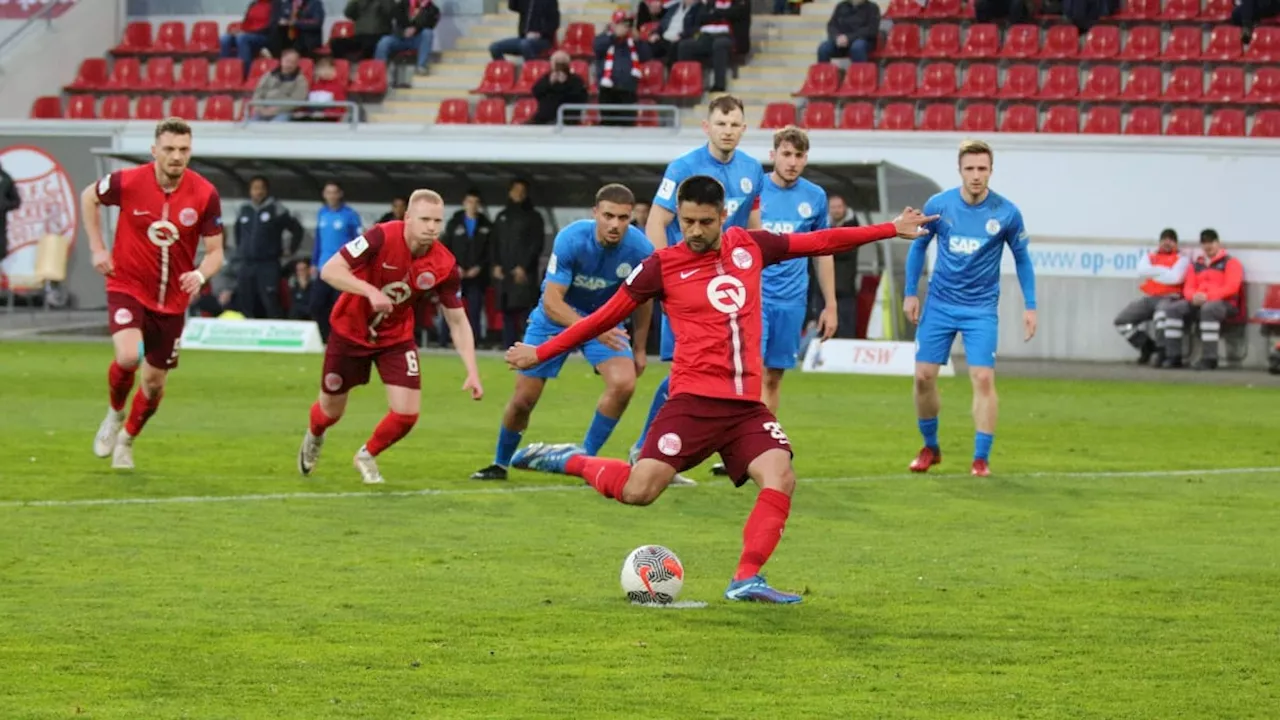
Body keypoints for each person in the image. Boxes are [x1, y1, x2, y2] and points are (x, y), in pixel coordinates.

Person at [504, 175, 932, 604]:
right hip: (691, 403)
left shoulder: (751, 246)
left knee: (781, 476)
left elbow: (820, 240)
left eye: (704, 222)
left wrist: (890, 228)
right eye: (686, 221)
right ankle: (573, 460)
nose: (693, 230)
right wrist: (540, 352)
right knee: (639, 492)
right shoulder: (660, 266)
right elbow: (602, 317)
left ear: (723, 216)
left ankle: (746, 578)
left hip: (745, 409)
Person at [298, 189, 484, 485]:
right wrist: (369, 290)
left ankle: (366, 455)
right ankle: (315, 434)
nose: (432, 227)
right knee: (331, 412)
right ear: (407, 218)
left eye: (438, 221)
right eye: (425, 219)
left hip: (395, 337)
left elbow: (457, 320)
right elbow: (330, 270)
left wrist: (472, 370)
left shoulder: (445, 265)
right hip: (350, 331)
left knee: (407, 414)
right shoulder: (380, 236)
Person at [471, 184, 654, 481]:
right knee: (523, 400)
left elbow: (645, 301)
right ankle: (500, 463)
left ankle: (585, 458)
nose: (615, 224)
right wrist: (594, 331)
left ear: (630, 217)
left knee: (624, 384)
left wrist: (641, 349)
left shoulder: (641, 249)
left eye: (623, 218)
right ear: (595, 213)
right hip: (555, 319)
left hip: (604, 321)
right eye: (608, 215)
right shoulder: (571, 239)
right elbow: (552, 301)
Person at [631, 94, 764, 485]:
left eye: (734, 124)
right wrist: (666, 277)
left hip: (728, 289)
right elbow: (656, 221)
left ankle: (666, 449)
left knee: (719, 371)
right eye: (720, 124)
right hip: (688, 286)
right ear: (707, 127)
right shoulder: (684, 167)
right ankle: (648, 449)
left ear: (743, 128)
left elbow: (753, 227)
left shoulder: (752, 169)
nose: (727, 131)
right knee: (684, 374)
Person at [85, 118, 226, 470]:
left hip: (172, 301)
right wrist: (98, 248)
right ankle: (114, 414)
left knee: (153, 383)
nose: (177, 156)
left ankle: (127, 440)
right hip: (128, 285)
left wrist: (199, 273)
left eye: (183, 150)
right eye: (169, 149)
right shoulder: (127, 182)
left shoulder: (205, 193)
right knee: (129, 356)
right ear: (154, 151)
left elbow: (216, 252)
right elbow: (89, 196)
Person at [903, 140, 1038, 478]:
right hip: (940, 304)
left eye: (982, 169)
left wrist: (1031, 305)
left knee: (981, 377)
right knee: (923, 378)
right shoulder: (939, 205)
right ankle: (930, 447)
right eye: (970, 169)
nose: (976, 176)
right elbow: (918, 247)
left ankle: (981, 458)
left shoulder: (1006, 212)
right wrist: (910, 292)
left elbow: (1022, 259)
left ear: (991, 171)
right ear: (960, 170)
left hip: (980, 308)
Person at [708, 125, 832, 477]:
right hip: (752, 298)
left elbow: (824, 250)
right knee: (747, 374)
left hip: (792, 302)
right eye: (786, 154)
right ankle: (735, 448)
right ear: (772, 154)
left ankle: (758, 449)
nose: (792, 162)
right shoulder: (753, 187)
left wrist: (831, 304)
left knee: (773, 377)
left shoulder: (816, 197)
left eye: (799, 156)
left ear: (806, 158)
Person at [1161, 229, 1245, 371]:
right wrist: (1193, 297)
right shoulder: (1196, 265)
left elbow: (1232, 288)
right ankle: (1173, 356)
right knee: (1172, 309)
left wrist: (1208, 297)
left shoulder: (1231, 262)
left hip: (1225, 304)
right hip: (1199, 301)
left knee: (1209, 309)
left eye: (1211, 242)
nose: (1208, 246)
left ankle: (1209, 358)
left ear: (1218, 243)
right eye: (1205, 243)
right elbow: (1188, 288)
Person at [1112, 228, 1188, 366]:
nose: (1167, 243)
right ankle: (1147, 346)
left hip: (1170, 297)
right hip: (1150, 297)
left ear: (1176, 243)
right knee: (1122, 322)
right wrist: (1165, 272)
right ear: (1159, 242)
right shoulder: (1150, 256)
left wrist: (1155, 272)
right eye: (1164, 239)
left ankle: (1162, 351)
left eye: (1171, 240)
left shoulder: (1182, 259)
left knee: (1161, 315)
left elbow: (1175, 278)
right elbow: (1142, 271)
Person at [312, 181, 364, 342]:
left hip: (343, 268)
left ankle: (341, 338)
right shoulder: (322, 214)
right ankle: (325, 337)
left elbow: (359, 241)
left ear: (340, 194)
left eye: (334, 192)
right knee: (316, 304)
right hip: (323, 267)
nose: (331, 196)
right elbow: (318, 241)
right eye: (328, 192)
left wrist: (357, 265)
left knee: (340, 306)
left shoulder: (350, 215)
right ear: (324, 194)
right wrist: (314, 262)